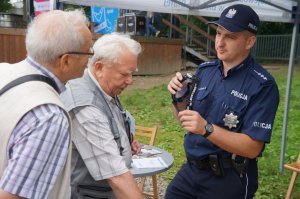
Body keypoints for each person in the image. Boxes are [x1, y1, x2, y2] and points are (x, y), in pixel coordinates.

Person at [166, 4, 279, 199]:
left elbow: (252, 148)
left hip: (227, 180)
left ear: (249, 41)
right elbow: (186, 122)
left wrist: (206, 128)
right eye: (219, 33)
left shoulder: (262, 85)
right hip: (192, 172)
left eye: (230, 36)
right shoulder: (205, 70)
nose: (220, 42)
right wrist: (179, 97)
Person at [0, 10, 93, 199]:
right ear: (66, 61)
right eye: (88, 51)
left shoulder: (3, 71)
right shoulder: (48, 115)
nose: (91, 57)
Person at [60, 33, 143, 199]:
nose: (130, 81)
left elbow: (110, 123)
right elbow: (117, 177)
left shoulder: (103, 87)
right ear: (99, 68)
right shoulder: (85, 106)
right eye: (125, 74)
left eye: (132, 73)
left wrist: (124, 142)